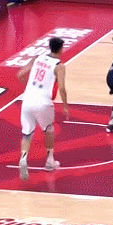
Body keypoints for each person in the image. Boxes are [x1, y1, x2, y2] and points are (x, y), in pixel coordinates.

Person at [16, 38, 69, 181]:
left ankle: (23, 158)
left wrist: (29, 88)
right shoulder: (59, 66)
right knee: (49, 130)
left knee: (27, 134)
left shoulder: (37, 58)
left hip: (27, 100)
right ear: (61, 49)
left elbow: (20, 74)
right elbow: (62, 88)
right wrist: (65, 106)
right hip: (43, 103)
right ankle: (50, 161)